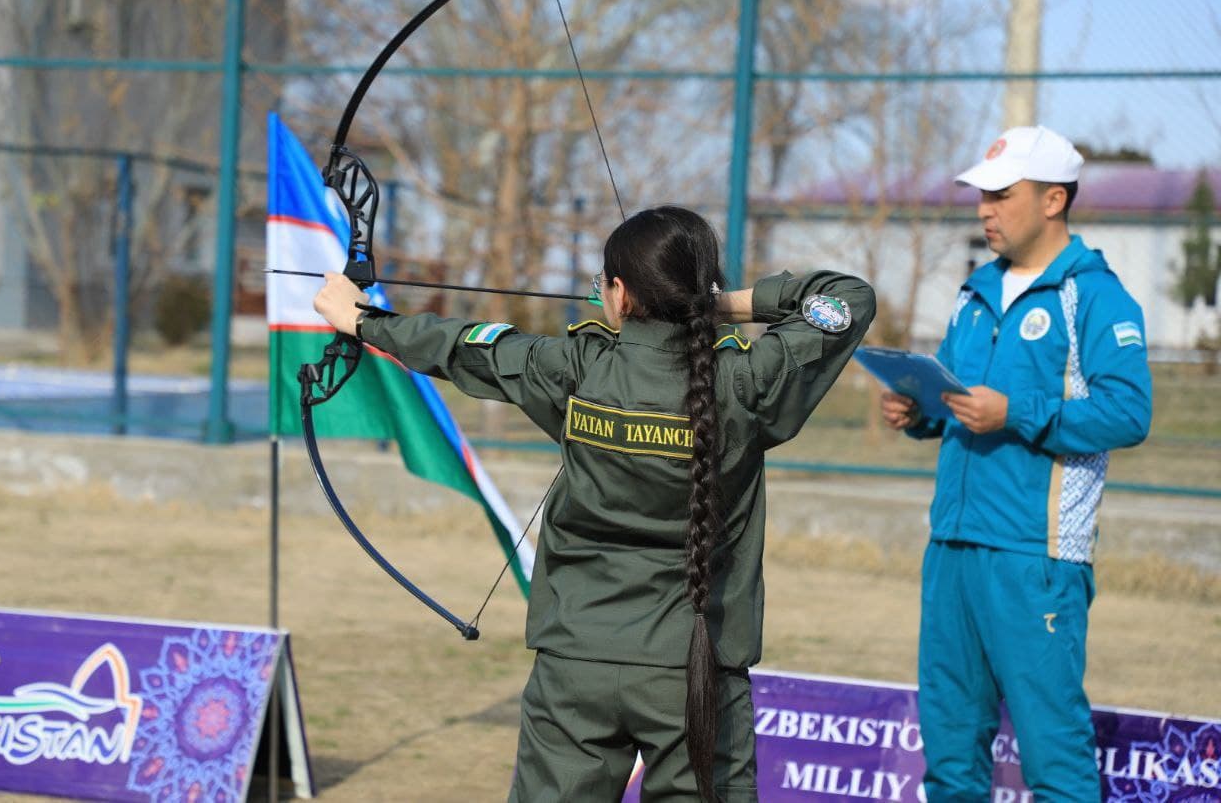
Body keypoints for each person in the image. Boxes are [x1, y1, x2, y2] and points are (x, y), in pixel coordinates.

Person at [315, 206, 875, 801]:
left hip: (576, 661)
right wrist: (720, 304)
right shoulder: (748, 379)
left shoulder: (574, 367)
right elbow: (846, 299)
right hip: (695, 668)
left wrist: (361, 320)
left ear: (620, 293)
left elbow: (463, 345)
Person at [880, 126, 1152, 801]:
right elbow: (959, 401)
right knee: (948, 759)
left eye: (1002, 194)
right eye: (982, 195)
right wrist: (920, 414)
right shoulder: (974, 294)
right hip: (951, 547)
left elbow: (1129, 412)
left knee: (1055, 764)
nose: (985, 208)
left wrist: (1017, 412)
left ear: (1054, 198)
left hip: (1037, 558)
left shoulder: (1095, 296)